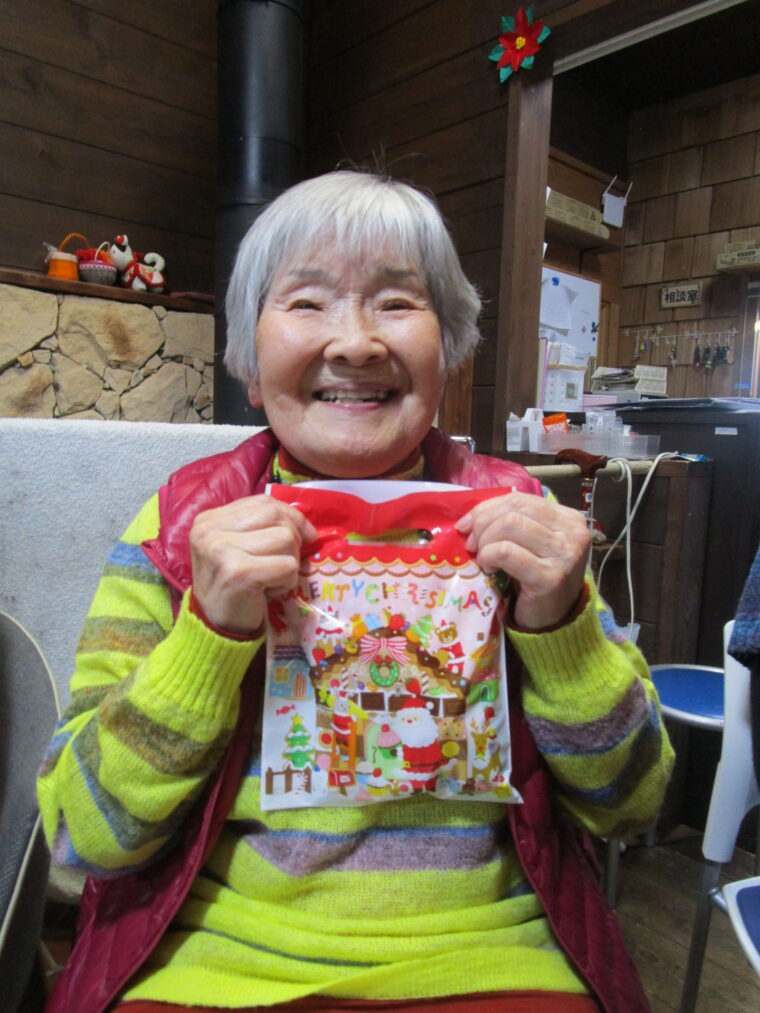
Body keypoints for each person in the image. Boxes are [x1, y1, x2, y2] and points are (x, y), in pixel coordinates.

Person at [38, 171, 673, 1013]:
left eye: (397, 303)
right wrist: (209, 636)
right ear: (251, 361)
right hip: (215, 963)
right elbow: (83, 837)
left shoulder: (524, 526)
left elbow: (634, 807)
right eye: (307, 303)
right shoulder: (181, 527)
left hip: (494, 961)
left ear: (448, 349)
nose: (357, 342)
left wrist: (563, 628)